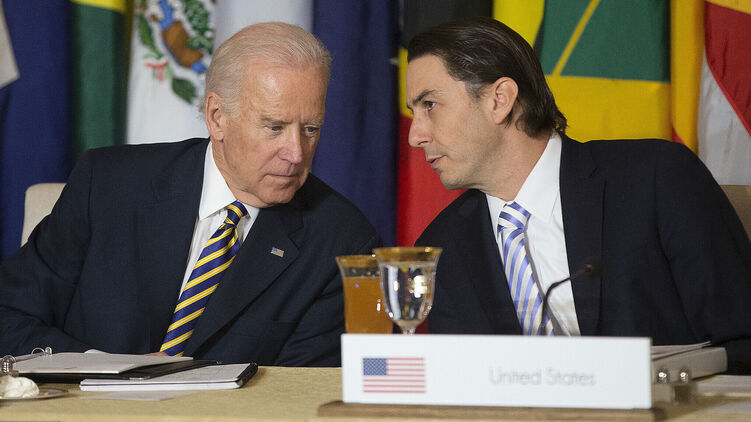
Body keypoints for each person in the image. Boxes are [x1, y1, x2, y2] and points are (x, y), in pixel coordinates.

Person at [0, 22, 380, 366]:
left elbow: (300, 394)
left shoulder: (343, 242)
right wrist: (100, 367)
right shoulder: (108, 185)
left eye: (311, 128)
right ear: (217, 117)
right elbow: (8, 314)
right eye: (274, 127)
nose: (296, 153)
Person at [407, 17, 751, 370]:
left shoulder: (655, 179)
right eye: (413, 112)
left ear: (500, 99)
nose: (415, 136)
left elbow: (742, 341)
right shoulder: (442, 245)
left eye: (429, 105)